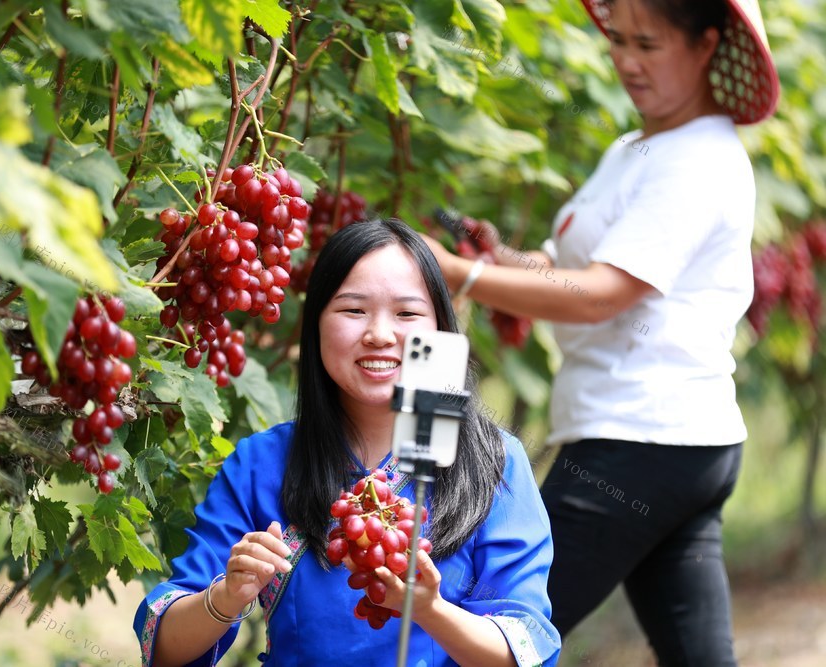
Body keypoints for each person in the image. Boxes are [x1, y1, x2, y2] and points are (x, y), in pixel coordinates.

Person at [423, 0, 779, 665]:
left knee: (491, 633)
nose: (625, 60)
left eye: (648, 44)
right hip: (683, 445)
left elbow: (602, 295)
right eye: (617, 39)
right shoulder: (637, 149)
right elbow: (574, 268)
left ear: (706, 47)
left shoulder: (698, 159)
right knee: (698, 654)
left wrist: (459, 275)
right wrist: (502, 260)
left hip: (639, 441)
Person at [134, 218, 561, 666]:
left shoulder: (494, 463)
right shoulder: (261, 464)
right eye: (354, 310)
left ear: (440, 326)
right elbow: (164, 651)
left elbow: (525, 649)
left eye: (407, 313)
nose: (380, 334)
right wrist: (225, 597)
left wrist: (431, 611)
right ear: (315, 323)